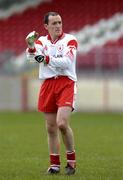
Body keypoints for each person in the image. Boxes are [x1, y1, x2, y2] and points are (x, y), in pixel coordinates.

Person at [26, 11, 78, 175]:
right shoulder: (41, 41)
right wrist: (31, 46)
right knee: (50, 128)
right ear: (46, 26)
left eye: (59, 22)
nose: (58, 26)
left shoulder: (70, 40)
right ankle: (54, 165)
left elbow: (67, 62)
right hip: (48, 84)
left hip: (66, 83)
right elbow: (31, 57)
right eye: (54, 23)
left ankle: (71, 161)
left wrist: (45, 59)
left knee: (62, 123)